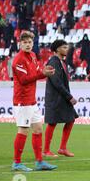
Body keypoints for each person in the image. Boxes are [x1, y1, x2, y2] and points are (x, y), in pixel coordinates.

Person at [11, 31, 57, 172]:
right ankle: (17, 163)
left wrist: (45, 70)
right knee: (23, 130)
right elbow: (25, 80)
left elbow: (36, 72)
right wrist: (42, 73)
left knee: (38, 128)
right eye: (24, 42)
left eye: (30, 42)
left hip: (32, 101)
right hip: (22, 101)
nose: (28, 45)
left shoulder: (32, 56)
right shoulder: (18, 60)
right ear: (20, 44)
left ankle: (39, 162)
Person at [43, 40, 79, 158]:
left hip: (61, 97)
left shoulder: (61, 62)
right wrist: (69, 97)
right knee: (52, 122)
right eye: (64, 47)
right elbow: (56, 82)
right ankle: (46, 150)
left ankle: (63, 148)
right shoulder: (53, 61)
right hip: (56, 98)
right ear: (57, 49)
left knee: (71, 119)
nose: (66, 49)